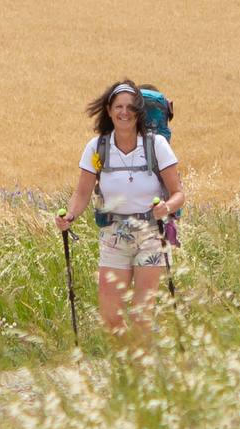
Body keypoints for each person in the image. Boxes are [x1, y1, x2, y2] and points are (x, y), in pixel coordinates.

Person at [56, 80, 185, 338]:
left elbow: (178, 194)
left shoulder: (156, 144)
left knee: (141, 315)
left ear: (138, 112)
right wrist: (69, 216)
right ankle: (130, 367)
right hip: (113, 235)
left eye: (129, 107)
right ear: (108, 110)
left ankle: (141, 373)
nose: (124, 113)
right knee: (110, 317)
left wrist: (167, 208)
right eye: (118, 107)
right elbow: (82, 193)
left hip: (150, 233)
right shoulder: (97, 148)